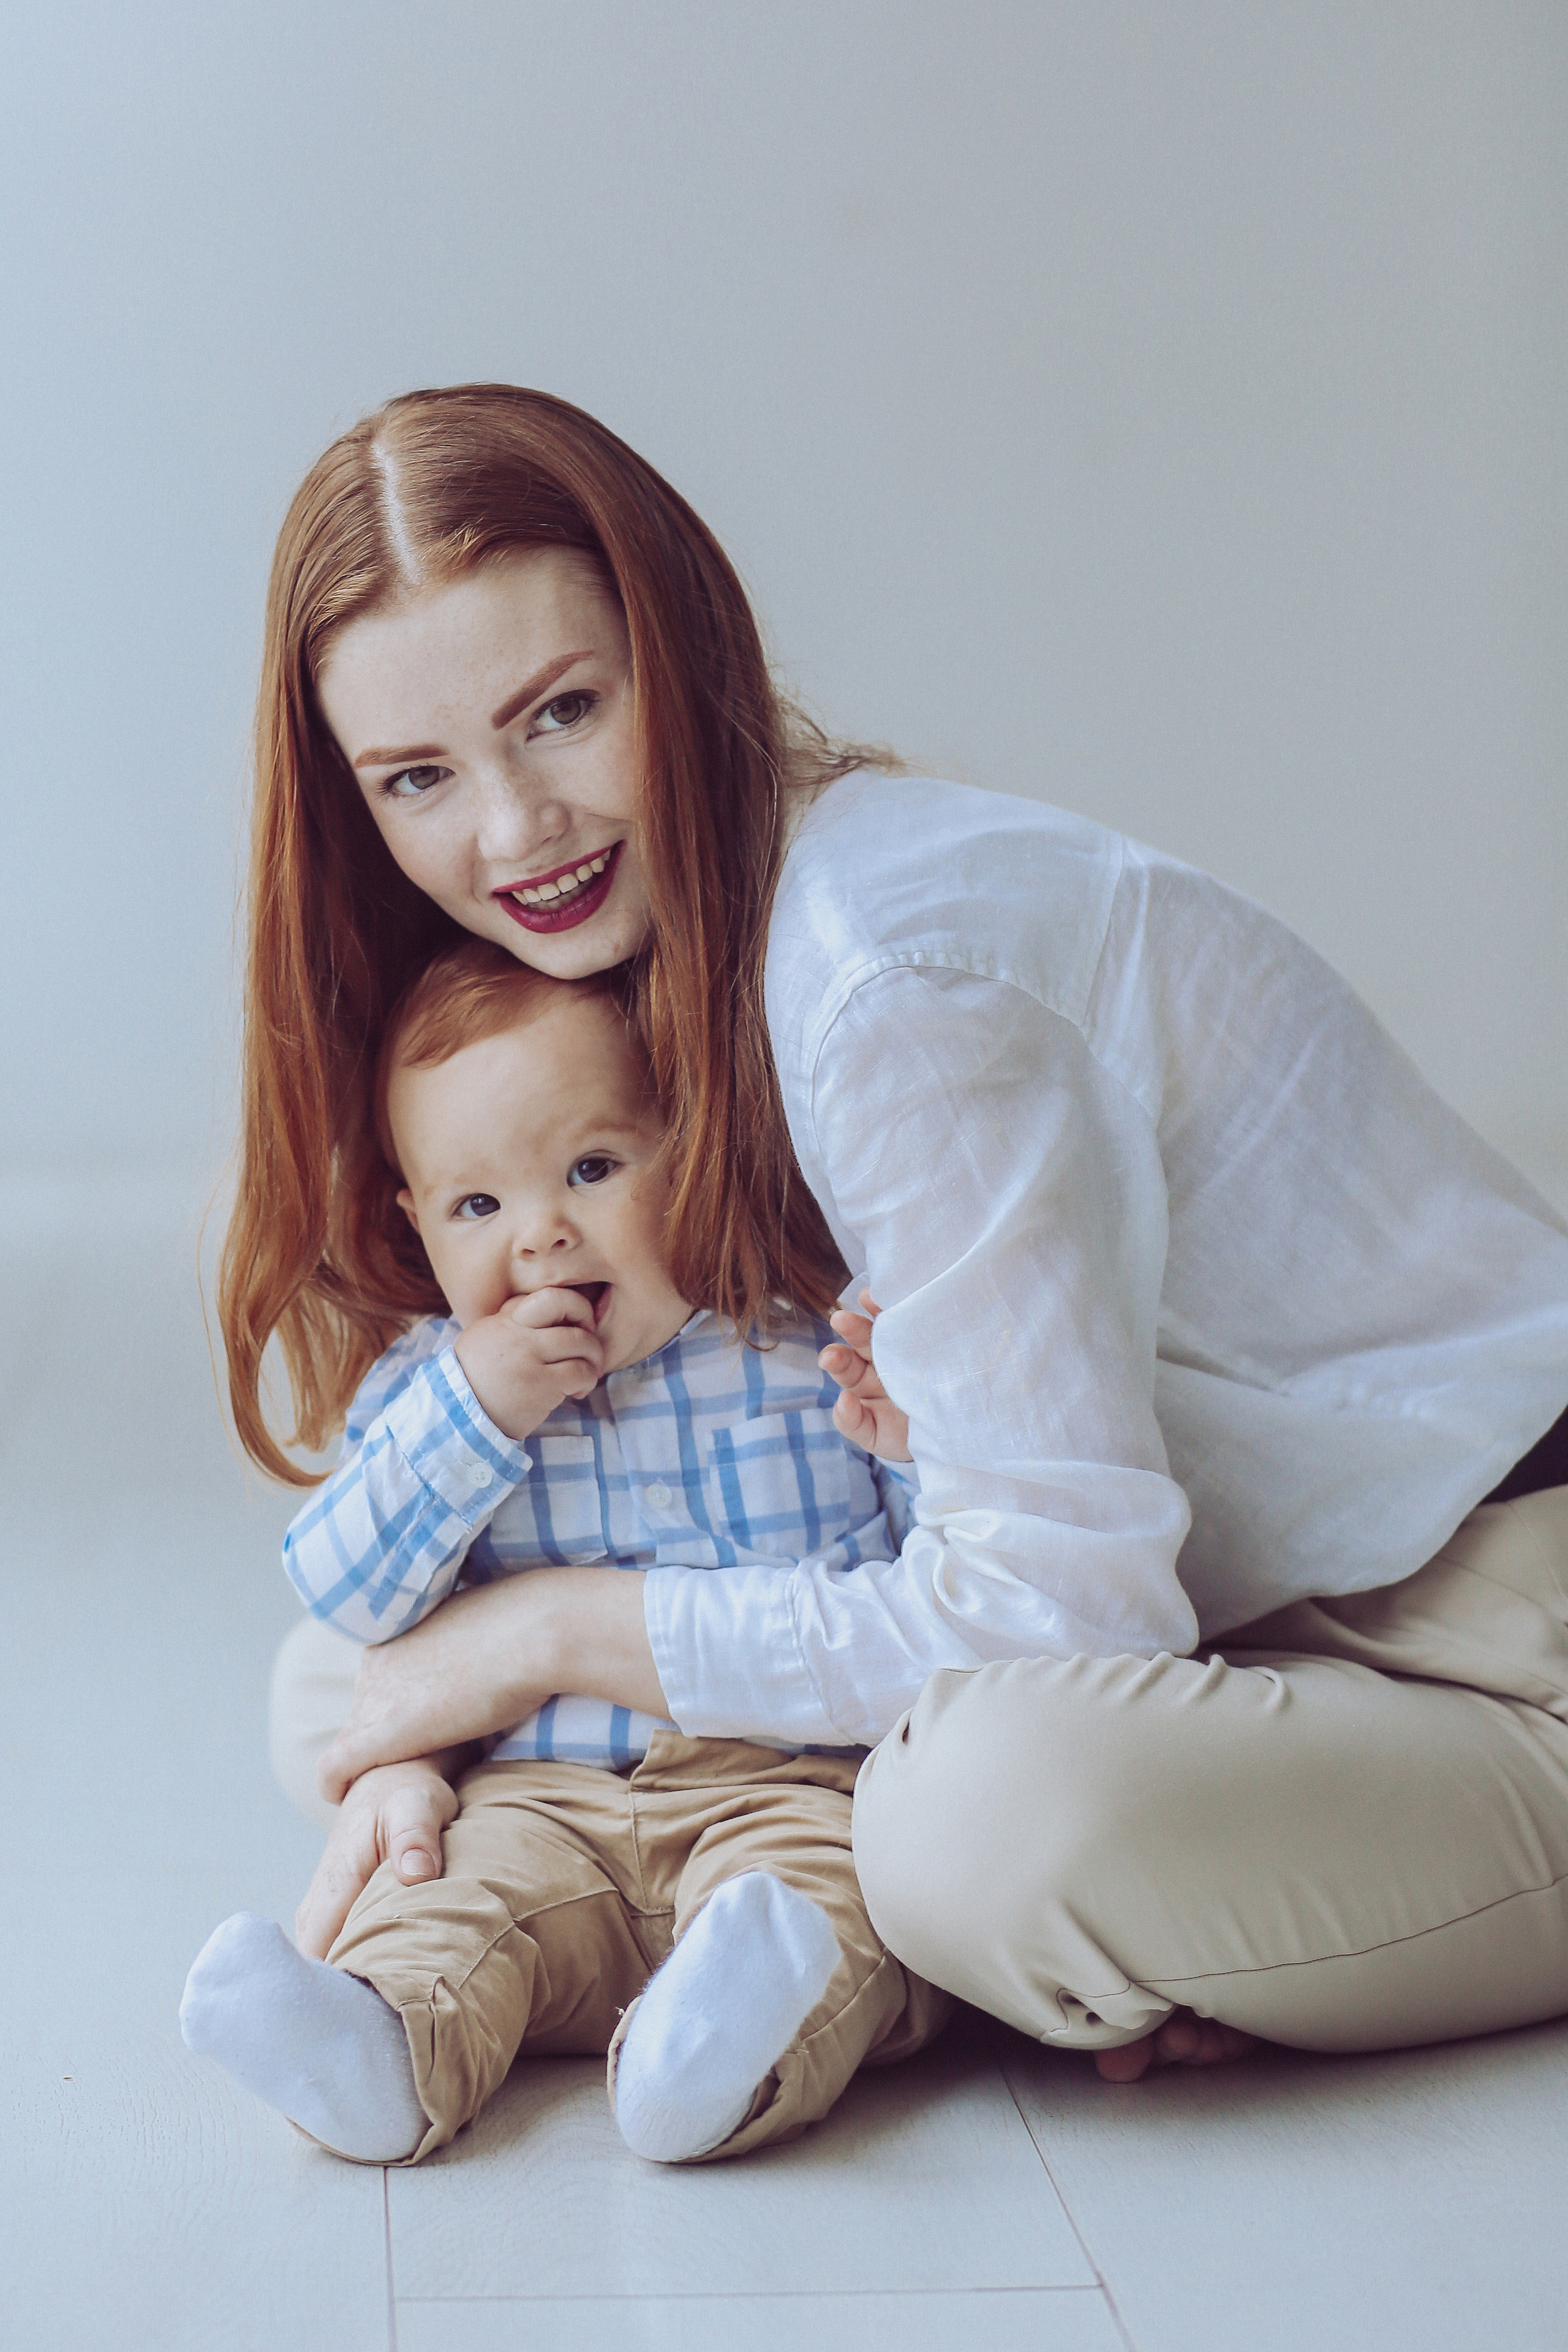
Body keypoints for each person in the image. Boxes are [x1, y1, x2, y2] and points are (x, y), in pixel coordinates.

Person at [224, 382, 1568, 2090]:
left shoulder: (880, 982)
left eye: (560, 711)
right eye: (418, 777)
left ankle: (1116, 1915)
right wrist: (426, 1734)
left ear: (677, 652)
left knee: (979, 1825)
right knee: (339, 1675)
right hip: (1249, 1617)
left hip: (1492, 1630)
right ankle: (1160, 1908)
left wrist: (546, 1638)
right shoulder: (657, 953)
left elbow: (1062, 1618)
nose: (512, 832)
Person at [184, 938, 946, 2163]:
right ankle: (375, 2051)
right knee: (445, 1899)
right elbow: (343, 1589)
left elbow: (945, 1581)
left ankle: (708, 2060)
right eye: (477, 1206)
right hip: (537, 1799)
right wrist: (474, 1411)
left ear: (684, 1150)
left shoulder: (795, 1348)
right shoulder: (428, 1389)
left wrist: (908, 1438)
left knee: (820, 1909)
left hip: (785, 1783)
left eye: (590, 1167)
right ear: (416, 1223)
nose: (539, 1236)